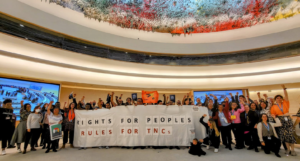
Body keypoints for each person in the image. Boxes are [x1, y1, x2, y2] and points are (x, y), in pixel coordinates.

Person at [270, 85, 297, 156]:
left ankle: (293, 150)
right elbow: (273, 115)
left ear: (282, 99)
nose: (279, 99)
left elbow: (286, 97)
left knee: (290, 135)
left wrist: (284, 89)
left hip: (288, 120)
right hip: (280, 120)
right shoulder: (273, 106)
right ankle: (287, 149)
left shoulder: (285, 103)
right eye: (277, 98)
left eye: (280, 98)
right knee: (284, 136)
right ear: (275, 99)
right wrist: (280, 115)